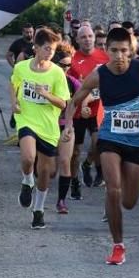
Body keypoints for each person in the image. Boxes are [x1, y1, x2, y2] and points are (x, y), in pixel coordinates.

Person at [66, 28, 139, 264]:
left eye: (124, 51)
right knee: (113, 188)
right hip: (109, 138)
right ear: (106, 51)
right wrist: (69, 123)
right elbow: (76, 99)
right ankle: (118, 246)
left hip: (136, 141)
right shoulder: (99, 74)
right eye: (114, 51)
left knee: (129, 202)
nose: (119, 56)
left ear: (131, 51)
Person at [11, 28, 70, 229]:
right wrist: (14, 103)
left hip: (48, 126)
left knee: (46, 173)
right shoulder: (21, 67)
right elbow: (13, 84)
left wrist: (46, 95)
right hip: (26, 120)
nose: (49, 53)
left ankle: (38, 210)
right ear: (35, 48)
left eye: (52, 50)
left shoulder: (57, 73)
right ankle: (27, 180)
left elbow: (63, 104)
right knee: (28, 157)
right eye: (46, 49)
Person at [68, 25, 110, 195]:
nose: (87, 39)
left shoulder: (104, 57)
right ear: (77, 40)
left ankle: (88, 164)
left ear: (94, 37)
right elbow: (70, 87)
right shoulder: (72, 60)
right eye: (83, 37)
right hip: (78, 111)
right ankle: (74, 181)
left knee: (98, 143)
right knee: (76, 150)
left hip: (98, 109)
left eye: (90, 36)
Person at [53, 45, 79, 215]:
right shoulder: (47, 79)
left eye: (69, 65)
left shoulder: (72, 82)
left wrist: (82, 106)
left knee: (64, 161)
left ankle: (61, 200)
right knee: (48, 171)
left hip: (66, 125)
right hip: (46, 126)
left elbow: (86, 93)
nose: (66, 69)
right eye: (63, 65)